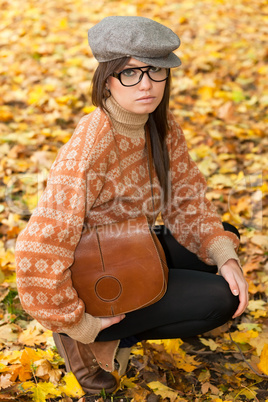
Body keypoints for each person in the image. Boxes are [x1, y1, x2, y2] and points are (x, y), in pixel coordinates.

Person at [15, 16, 248, 395]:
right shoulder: (92, 145)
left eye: (156, 71)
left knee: (224, 242)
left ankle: (124, 329)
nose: (146, 84)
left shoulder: (161, 127)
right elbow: (37, 246)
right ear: (106, 79)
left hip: (126, 244)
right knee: (218, 299)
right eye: (130, 73)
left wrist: (226, 256)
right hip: (91, 276)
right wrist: (72, 319)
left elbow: (186, 198)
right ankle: (94, 341)